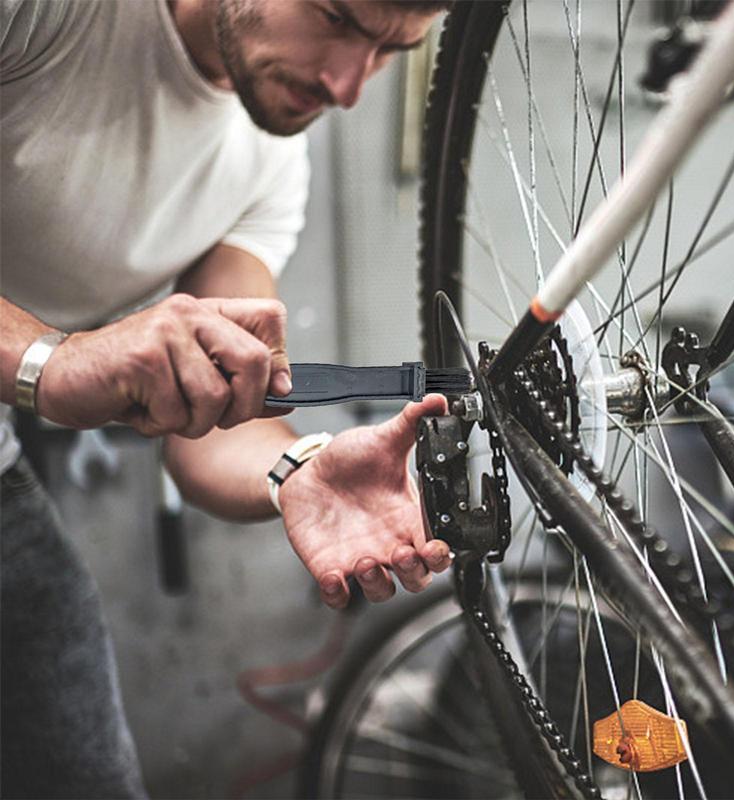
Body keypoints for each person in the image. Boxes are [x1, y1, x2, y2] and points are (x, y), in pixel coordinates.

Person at [0, 0, 453, 795]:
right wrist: (50, 359)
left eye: (390, 50)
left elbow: (220, 424)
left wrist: (299, 469)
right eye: (338, 18)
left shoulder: (269, 167)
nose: (349, 86)